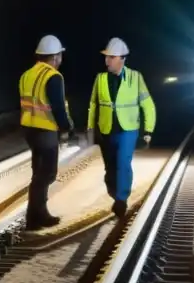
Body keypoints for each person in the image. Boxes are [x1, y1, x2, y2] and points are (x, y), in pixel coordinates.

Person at [87, 37, 156, 218]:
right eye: (106, 57)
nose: (107, 61)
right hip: (106, 129)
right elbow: (93, 104)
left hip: (128, 129)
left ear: (122, 59)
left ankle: (121, 199)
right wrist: (90, 128)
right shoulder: (100, 79)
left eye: (111, 57)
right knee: (110, 167)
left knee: (123, 164)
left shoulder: (135, 77)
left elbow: (147, 104)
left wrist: (148, 131)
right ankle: (114, 193)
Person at [19, 34, 74, 230]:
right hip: (45, 130)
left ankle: (37, 215)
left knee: (39, 172)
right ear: (55, 56)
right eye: (60, 56)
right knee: (47, 174)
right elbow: (58, 106)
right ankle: (35, 217)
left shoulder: (26, 75)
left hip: (29, 129)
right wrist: (67, 127)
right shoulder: (53, 76)